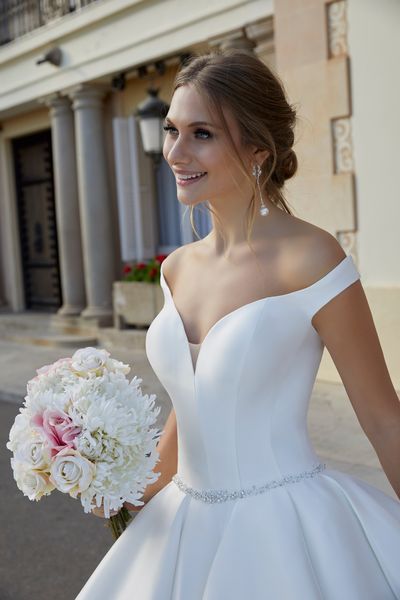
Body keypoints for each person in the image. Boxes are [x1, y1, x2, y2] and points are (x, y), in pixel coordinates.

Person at [76, 48, 400, 599]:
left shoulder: (313, 258)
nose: (175, 152)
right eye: (172, 130)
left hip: (284, 527)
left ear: (257, 150)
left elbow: (381, 418)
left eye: (201, 133)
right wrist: (125, 487)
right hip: (179, 526)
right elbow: (194, 398)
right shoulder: (175, 268)